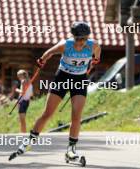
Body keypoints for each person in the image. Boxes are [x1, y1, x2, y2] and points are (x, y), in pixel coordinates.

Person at [11, 21, 101, 160]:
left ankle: (71, 150)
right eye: (78, 38)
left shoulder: (92, 45)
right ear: (74, 37)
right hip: (62, 78)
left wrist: (96, 59)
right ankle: (29, 140)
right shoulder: (66, 45)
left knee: (76, 116)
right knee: (48, 113)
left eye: (84, 38)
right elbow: (49, 52)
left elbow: (97, 51)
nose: (81, 42)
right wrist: (42, 59)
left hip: (79, 79)